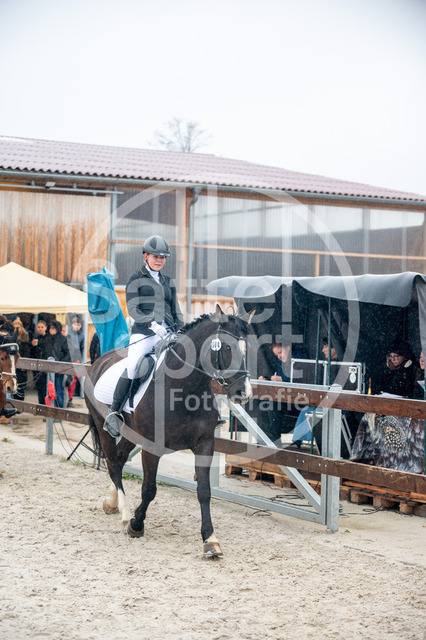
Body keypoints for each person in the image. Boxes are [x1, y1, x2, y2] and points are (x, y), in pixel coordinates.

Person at [104, 235, 184, 438]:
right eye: (156, 256)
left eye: (163, 257)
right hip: (145, 333)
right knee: (133, 367)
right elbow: (133, 309)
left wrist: (182, 330)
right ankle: (114, 412)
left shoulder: (168, 281)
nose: (159, 260)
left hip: (168, 333)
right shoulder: (135, 279)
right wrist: (152, 324)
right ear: (145, 256)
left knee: (186, 363)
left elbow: (176, 309)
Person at [44, 320, 71, 408]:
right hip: (47, 369)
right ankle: (49, 410)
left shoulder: (63, 339)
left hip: (59, 370)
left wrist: (60, 364)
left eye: (53, 328)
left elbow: (68, 354)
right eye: (50, 328)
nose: (51, 330)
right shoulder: (46, 339)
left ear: (57, 329)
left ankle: (59, 410)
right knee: (48, 391)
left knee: (58, 390)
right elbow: (42, 353)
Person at [30, 319, 50, 405]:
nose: (40, 329)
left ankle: (45, 405)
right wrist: (33, 346)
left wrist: (38, 346)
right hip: (37, 367)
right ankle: (41, 405)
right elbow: (33, 353)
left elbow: (46, 351)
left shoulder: (48, 338)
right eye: (39, 327)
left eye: (42, 327)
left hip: (45, 366)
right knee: (39, 387)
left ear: (45, 328)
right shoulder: (36, 338)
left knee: (45, 387)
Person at [12, 318, 31, 400]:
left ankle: (20, 403)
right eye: (15, 328)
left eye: (18, 327)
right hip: (13, 364)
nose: (17, 329)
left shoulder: (25, 338)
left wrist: (24, 363)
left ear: (21, 328)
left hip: (22, 364)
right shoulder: (11, 338)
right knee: (13, 385)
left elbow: (27, 352)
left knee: (21, 386)